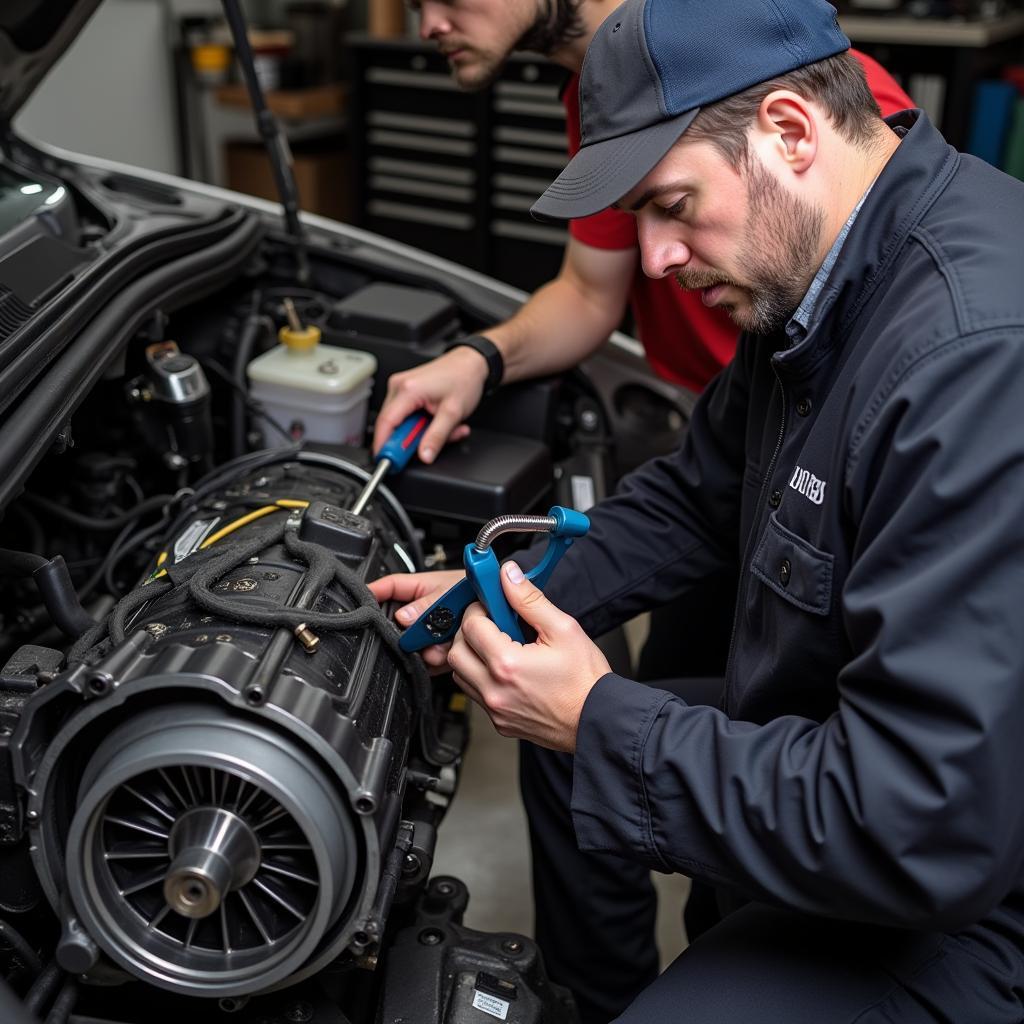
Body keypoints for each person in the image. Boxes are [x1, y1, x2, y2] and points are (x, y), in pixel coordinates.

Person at [371, 0, 1024, 1020]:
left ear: (791, 131)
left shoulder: (969, 358)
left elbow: (920, 823)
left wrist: (600, 721)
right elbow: (692, 499)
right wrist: (494, 594)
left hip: (967, 886)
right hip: (859, 751)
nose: (658, 259)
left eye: (673, 204)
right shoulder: (816, 274)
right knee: (561, 742)